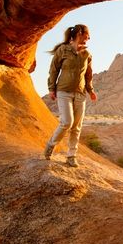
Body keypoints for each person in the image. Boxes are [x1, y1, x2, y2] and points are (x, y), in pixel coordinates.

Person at [44, 24, 97, 166]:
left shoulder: (87, 54)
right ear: (79, 34)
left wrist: (90, 90)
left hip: (80, 93)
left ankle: (71, 155)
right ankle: (51, 144)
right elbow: (53, 70)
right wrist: (51, 88)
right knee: (67, 122)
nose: (89, 38)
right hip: (63, 91)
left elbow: (88, 74)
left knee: (77, 126)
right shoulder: (63, 50)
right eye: (87, 35)